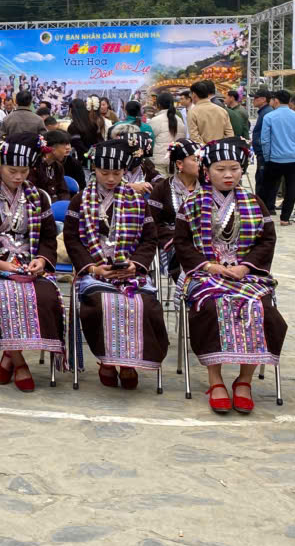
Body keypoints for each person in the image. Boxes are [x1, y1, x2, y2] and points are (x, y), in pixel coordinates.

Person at [173, 138, 286, 414]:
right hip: (205, 274)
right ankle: (215, 379)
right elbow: (183, 243)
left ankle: (244, 380)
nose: (228, 175)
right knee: (212, 307)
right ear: (206, 170)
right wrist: (209, 266)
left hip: (245, 274)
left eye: (234, 169)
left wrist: (245, 267)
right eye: (220, 169)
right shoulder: (192, 202)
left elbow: (266, 241)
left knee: (261, 309)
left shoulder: (254, 202)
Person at [0, 136, 64, 392]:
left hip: (29, 262)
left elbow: (48, 237)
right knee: (2, 295)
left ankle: (8, 356)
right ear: (0, 166)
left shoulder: (37, 196)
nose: (18, 177)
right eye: (12, 171)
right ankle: (19, 362)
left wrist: (41, 260)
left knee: (47, 295)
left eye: (24, 171)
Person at [63, 138, 166, 389]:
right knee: (100, 303)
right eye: (104, 173)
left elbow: (149, 238)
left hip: (130, 269)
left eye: (117, 173)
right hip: (94, 270)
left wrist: (136, 265)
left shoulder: (137, 200)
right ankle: (106, 360)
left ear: (124, 172)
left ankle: (130, 362)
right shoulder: (80, 200)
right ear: (94, 170)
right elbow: (72, 238)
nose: (110, 179)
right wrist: (92, 268)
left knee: (145, 305)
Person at [150, 138, 201, 277]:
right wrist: (175, 238)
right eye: (195, 159)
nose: (200, 163)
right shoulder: (162, 189)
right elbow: (154, 223)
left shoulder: (207, 187)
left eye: (201, 159)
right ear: (179, 163)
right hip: (173, 244)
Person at [259, 90, 295, 226]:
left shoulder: (269, 117)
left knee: (268, 187)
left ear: (276, 100)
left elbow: (265, 140)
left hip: (275, 158)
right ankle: (285, 218)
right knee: (291, 189)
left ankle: (263, 215)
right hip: (294, 158)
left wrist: (267, 156)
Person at [185, 80, 234, 145]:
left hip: (204, 150)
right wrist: (220, 146)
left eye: (190, 94)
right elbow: (230, 134)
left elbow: (194, 137)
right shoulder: (222, 110)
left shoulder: (192, 112)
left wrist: (207, 148)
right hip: (221, 148)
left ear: (194, 94)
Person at [151, 92, 188, 164]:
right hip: (175, 161)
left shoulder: (155, 120)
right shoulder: (179, 120)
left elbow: (150, 140)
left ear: (159, 105)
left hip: (159, 161)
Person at [250, 89, 274, 197]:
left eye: (256, 98)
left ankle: (262, 203)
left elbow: (266, 135)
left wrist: (261, 148)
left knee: (262, 180)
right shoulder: (264, 112)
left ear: (264, 99)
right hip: (263, 152)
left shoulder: (267, 113)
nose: (253, 100)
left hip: (264, 153)